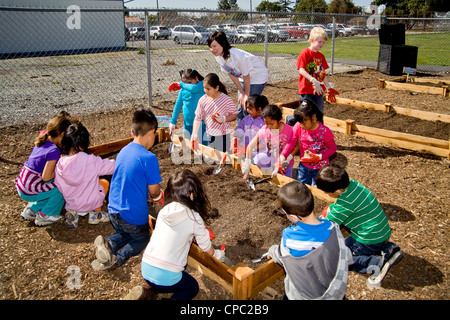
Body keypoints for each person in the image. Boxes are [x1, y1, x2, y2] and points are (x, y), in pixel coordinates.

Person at [124, 169, 224, 300]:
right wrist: (218, 255)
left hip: (146, 267)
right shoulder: (193, 217)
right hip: (167, 275)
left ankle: (148, 291)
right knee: (192, 287)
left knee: (165, 279)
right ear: (192, 194)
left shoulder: (164, 210)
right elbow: (206, 248)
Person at [91, 108, 164, 271]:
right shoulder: (149, 158)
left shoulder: (124, 151)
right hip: (132, 216)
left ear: (132, 132)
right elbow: (154, 191)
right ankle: (117, 258)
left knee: (127, 233)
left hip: (114, 211)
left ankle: (108, 244)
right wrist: (159, 195)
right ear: (152, 133)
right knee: (142, 238)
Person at [315, 165, 404, 286]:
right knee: (342, 247)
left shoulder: (344, 205)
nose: (325, 194)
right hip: (380, 231)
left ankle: (377, 263)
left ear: (337, 191)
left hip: (369, 239)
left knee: (340, 260)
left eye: (326, 192)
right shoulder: (354, 185)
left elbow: (327, 224)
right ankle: (388, 248)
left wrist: (321, 219)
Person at [267, 181, 352, 300]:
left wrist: (271, 251)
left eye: (284, 213)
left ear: (294, 216)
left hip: (306, 294)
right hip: (331, 285)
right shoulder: (332, 227)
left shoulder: (291, 238)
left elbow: (281, 255)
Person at [15, 111, 72, 226]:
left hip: (24, 184)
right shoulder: (53, 151)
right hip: (31, 188)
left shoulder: (44, 140)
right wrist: (60, 172)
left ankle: (32, 210)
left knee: (49, 189)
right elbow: (46, 177)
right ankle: (47, 215)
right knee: (61, 187)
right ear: (61, 134)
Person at [54, 121, 115, 228]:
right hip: (91, 202)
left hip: (72, 202)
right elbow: (109, 167)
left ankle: (73, 214)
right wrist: (120, 161)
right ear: (83, 143)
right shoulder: (89, 160)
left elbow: (58, 185)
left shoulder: (60, 164)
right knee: (104, 182)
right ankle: (95, 214)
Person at [208, 31, 268, 125]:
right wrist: (242, 93)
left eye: (214, 46)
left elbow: (246, 75)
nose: (212, 49)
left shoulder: (237, 56)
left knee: (249, 105)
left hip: (257, 76)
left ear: (222, 43)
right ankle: (240, 132)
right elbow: (231, 73)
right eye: (210, 47)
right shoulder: (219, 57)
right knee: (241, 106)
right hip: (243, 77)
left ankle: (253, 130)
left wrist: (246, 95)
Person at [286, 27, 339, 126]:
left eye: (323, 42)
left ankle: (319, 130)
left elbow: (322, 74)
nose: (321, 44)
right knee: (304, 111)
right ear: (311, 40)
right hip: (306, 89)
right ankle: (291, 119)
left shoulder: (321, 56)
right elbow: (301, 70)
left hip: (318, 89)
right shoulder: (305, 53)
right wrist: (313, 80)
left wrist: (328, 87)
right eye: (319, 41)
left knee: (319, 111)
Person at [283, 99, 337, 186]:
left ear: (314, 118)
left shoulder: (324, 131)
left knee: (316, 189)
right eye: (299, 123)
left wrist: (319, 157)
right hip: (304, 166)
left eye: (304, 123)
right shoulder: (298, 126)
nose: (301, 126)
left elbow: (333, 148)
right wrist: (282, 156)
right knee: (301, 187)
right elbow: (291, 142)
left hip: (320, 168)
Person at [242, 104, 296, 179]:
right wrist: (247, 162)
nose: (269, 126)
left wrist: (288, 159)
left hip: (285, 162)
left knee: (286, 181)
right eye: (266, 123)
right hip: (272, 158)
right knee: (258, 159)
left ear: (279, 120)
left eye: (271, 124)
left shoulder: (289, 130)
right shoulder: (265, 129)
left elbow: (296, 145)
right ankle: (269, 171)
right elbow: (250, 145)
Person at [191, 73, 237, 154]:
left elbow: (235, 114)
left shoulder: (226, 100)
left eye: (208, 89)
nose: (205, 91)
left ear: (216, 88)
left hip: (223, 136)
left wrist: (224, 119)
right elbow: (198, 118)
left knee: (223, 158)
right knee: (212, 157)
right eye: (204, 88)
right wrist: (194, 135)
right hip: (209, 134)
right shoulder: (202, 100)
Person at [168, 68, 208, 145]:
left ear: (196, 78)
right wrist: (173, 121)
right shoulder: (183, 89)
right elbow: (178, 104)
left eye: (190, 82)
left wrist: (181, 84)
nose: (187, 85)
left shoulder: (202, 86)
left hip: (201, 124)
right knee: (187, 146)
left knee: (203, 148)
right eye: (185, 83)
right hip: (187, 124)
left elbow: (193, 88)